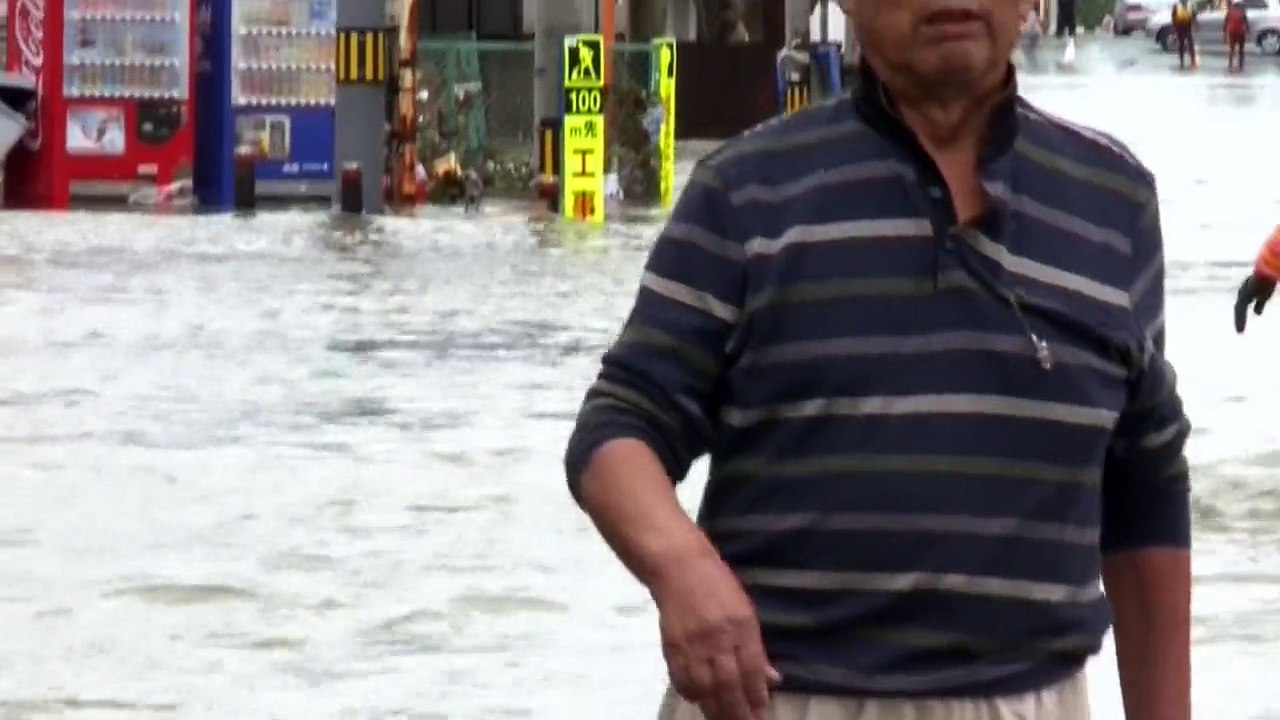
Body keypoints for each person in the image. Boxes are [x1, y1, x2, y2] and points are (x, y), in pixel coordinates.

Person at [563, 0, 1192, 718]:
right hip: (782, 698)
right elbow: (617, 431)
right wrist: (683, 571)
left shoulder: (1113, 201)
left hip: (1028, 701)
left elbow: (1146, 489)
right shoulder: (746, 192)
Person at [1234, 227, 1280, 332]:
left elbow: (1271, 249)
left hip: (1260, 276)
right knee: (1265, 293)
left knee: (1242, 298)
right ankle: (1258, 309)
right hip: (1272, 280)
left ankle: (1239, 331)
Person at [1225, 0, 1249, 71]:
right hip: (1240, 32)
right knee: (1241, 50)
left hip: (1231, 32)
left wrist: (1224, 33)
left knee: (1231, 49)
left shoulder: (1229, 11)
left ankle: (1230, 65)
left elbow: (1225, 22)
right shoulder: (1242, 12)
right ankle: (1240, 66)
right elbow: (1246, 23)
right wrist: (1248, 32)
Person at [1172, 0, 1198, 69]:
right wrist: (1174, 31)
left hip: (1188, 28)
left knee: (1191, 45)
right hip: (1180, 28)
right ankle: (1182, 63)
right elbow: (1173, 18)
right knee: (1181, 46)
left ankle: (1193, 62)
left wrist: (1195, 25)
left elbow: (1194, 16)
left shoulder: (1190, 6)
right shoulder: (1176, 6)